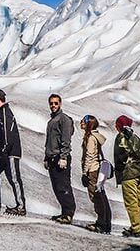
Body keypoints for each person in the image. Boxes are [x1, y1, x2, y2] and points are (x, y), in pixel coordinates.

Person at [113, 115, 140, 237]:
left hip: (128, 173)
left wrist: (120, 168)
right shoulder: (135, 137)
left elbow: (121, 155)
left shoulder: (121, 137)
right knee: (139, 201)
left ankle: (136, 228)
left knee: (131, 202)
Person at [44, 94, 76, 224]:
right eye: (51, 103)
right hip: (52, 158)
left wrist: (63, 157)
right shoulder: (51, 121)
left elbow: (66, 140)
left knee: (63, 186)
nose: (53, 106)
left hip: (60, 158)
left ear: (60, 104)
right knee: (57, 187)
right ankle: (64, 212)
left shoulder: (64, 120)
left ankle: (68, 213)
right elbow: (49, 141)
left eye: (56, 103)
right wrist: (46, 157)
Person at [80, 115, 111, 233]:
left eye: (84, 121)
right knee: (101, 195)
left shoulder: (91, 138)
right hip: (97, 169)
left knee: (96, 196)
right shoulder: (96, 136)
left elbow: (89, 156)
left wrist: (84, 173)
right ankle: (105, 222)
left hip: (92, 170)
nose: (81, 123)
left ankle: (101, 223)